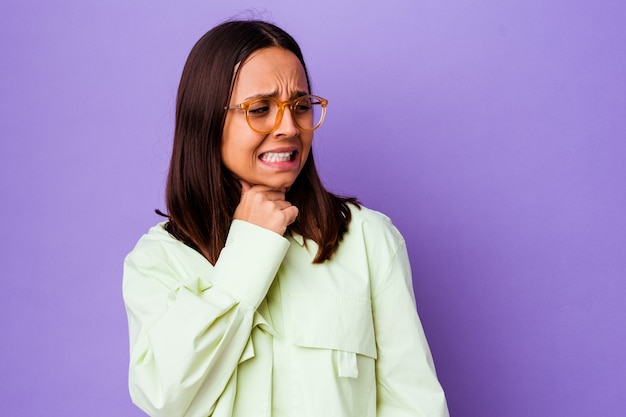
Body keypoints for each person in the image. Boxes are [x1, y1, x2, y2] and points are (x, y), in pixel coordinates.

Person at [123, 20, 449, 417]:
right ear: (206, 120)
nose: (289, 128)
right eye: (260, 109)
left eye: (299, 107)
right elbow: (162, 396)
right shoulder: (159, 260)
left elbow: (413, 405)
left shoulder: (367, 238)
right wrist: (249, 250)